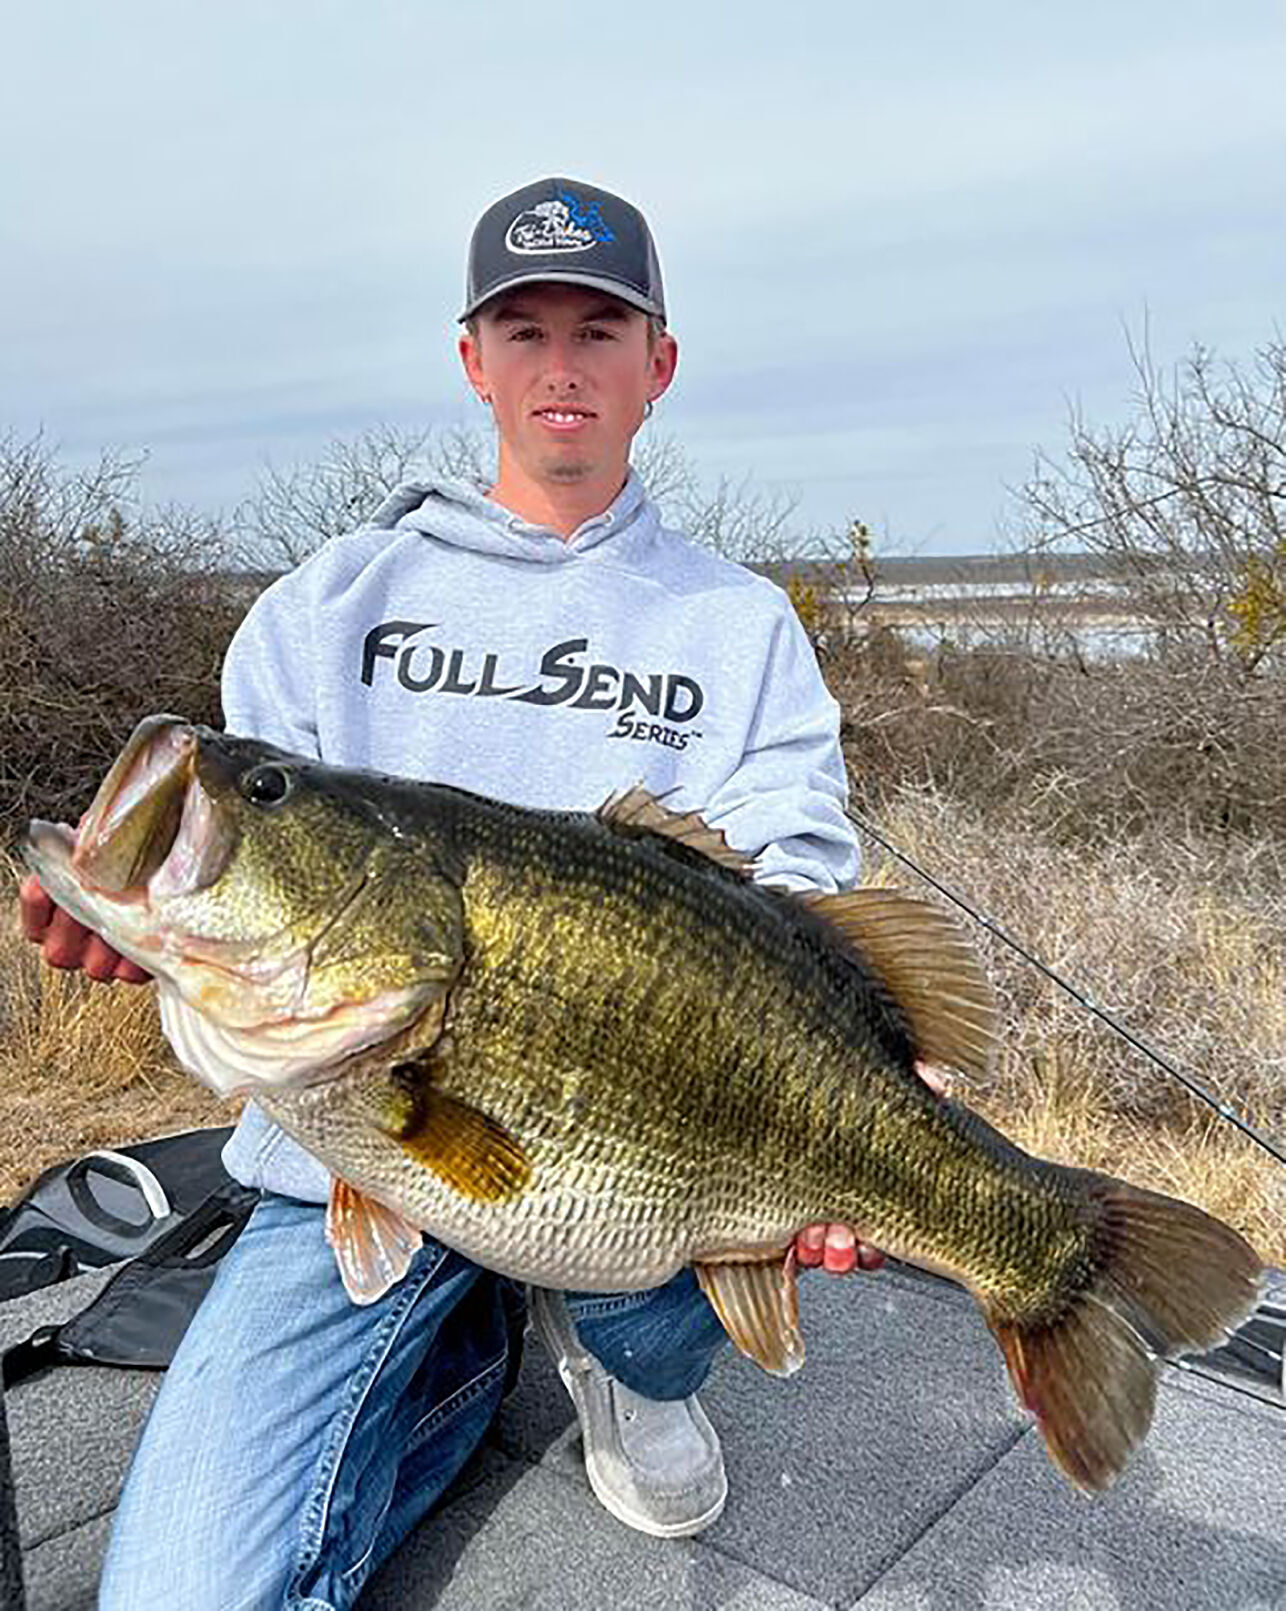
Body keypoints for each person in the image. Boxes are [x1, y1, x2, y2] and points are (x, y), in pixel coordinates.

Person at [20, 177, 913, 1610]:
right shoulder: (330, 599)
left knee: (673, 1285)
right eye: (523, 328)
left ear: (656, 366)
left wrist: (873, 1074)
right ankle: (459, 1357)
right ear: (471, 360)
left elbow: (796, 861)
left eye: (598, 331)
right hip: (346, 1153)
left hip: (648, 1141)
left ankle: (622, 1362)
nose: (560, 365)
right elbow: (257, 905)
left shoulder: (733, 623)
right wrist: (160, 941)